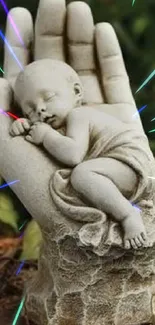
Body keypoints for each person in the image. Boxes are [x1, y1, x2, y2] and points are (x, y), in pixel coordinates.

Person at [10, 58, 154, 250]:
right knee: (82, 175)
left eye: (49, 97)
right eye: (30, 110)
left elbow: (73, 155)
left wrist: (45, 136)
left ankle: (128, 215)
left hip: (131, 163)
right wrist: (24, 126)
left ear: (77, 92)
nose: (40, 109)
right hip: (118, 167)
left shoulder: (79, 115)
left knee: (82, 174)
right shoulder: (61, 125)